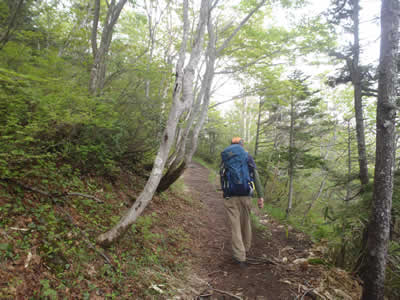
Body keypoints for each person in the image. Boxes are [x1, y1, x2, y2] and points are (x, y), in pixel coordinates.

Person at [220, 137, 264, 267]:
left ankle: (240, 257)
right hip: (245, 195)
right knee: (246, 223)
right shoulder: (247, 156)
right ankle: (246, 248)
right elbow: (255, 176)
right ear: (241, 144)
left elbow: (222, 175)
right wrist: (260, 196)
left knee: (235, 226)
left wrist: (225, 191)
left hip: (230, 196)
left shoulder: (226, 157)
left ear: (231, 144)